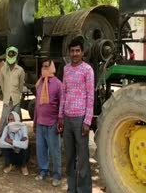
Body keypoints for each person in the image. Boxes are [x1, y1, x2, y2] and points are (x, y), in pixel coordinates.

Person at [58, 36, 94, 193]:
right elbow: (63, 94)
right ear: (69, 53)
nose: (74, 54)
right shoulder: (66, 69)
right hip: (67, 118)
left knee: (83, 158)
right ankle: (71, 188)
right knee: (70, 156)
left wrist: (87, 121)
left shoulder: (87, 70)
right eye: (72, 51)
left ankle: (84, 189)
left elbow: (90, 96)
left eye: (77, 51)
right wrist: (60, 117)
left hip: (80, 120)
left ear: (82, 52)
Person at [33, 59, 62, 187]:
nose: (44, 68)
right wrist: (34, 121)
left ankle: (57, 175)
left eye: (47, 66)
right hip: (40, 122)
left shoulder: (58, 84)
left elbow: (62, 104)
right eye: (42, 66)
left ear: (52, 68)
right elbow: (37, 105)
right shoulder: (39, 83)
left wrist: (60, 121)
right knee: (41, 149)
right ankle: (43, 171)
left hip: (52, 123)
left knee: (55, 150)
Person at [0, 46, 25, 159]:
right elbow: (2, 85)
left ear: (16, 56)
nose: (11, 56)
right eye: (9, 54)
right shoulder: (3, 70)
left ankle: (18, 149)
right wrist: (7, 95)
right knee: (2, 124)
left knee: (18, 125)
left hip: (16, 101)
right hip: (7, 102)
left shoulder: (20, 70)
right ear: (7, 55)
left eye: (13, 54)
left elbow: (21, 86)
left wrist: (16, 95)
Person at [0, 111, 29, 176]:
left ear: (16, 119)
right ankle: (10, 165)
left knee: (25, 149)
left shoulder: (23, 127)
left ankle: (23, 166)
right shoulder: (7, 127)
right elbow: (1, 143)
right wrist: (14, 145)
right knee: (4, 149)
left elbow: (25, 145)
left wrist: (11, 141)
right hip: (12, 152)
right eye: (9, 120)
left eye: (12, 119)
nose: (10, 122)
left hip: (21, 153)